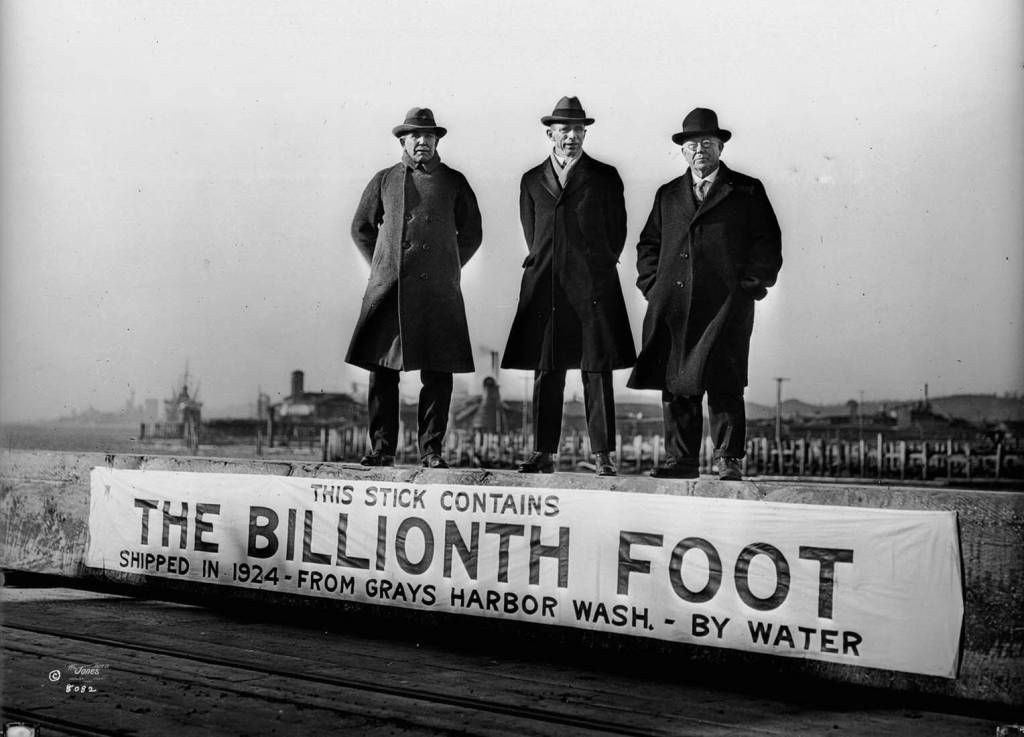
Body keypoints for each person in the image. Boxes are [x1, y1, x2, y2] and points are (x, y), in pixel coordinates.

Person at [628, 108, 782, 480]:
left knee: (725, 381)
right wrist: (653, 285)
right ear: (683, 151)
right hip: (674, 306)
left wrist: (748, 287)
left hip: (726, 306)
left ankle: (728, 460)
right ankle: (680, 462)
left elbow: (768, 244)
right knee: (677, 383)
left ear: (720, 147)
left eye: (708, 143)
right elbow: (648, 244)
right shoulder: (668, 195)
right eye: (693, 144)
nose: (700, 150)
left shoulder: (746, 190)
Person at [502, 96, 636, 477]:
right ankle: (543, 452)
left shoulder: (605, 176)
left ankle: (603, 454)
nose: (572, 137)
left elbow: (617, 233)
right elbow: (533, 235)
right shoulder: (531, 180)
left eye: (578, 130)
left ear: (585, 133)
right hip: (546, 286)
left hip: (593, 285)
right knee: (548, 369)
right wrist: (551, 264)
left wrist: (594, 266)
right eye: (564, 131)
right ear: (550, 134)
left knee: (596, 370)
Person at [346, 107, 482, 468]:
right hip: (389, 290)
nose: (422, 142)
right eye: (415, 136)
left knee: (438, 374)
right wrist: (384, 265)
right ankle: (382, 448)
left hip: (438, 293)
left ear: (437, 140)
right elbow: (361, 226)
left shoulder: (454, 182)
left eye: (429, 136)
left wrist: (446, 267)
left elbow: (472, 234)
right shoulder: (384, 180)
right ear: (403, 141)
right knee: (383, 371)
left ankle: (431, 451)